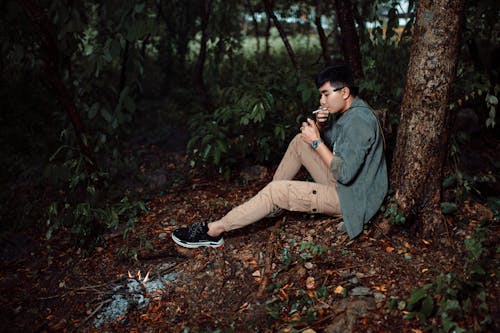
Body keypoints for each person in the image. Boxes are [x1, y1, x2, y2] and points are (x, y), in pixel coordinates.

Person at [172, 64, 388, 248]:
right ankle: (272, 201)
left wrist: (316, 140)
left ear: (344, 92)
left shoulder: (359, 121)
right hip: (349, 186)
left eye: (325, 94)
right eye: (320, 94)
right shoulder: (351, 112)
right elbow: (339, 146)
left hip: (353, 201)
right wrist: (320, 127)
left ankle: (212, 232)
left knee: (279, 186)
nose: (321, 101)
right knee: (299, 142)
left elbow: (345, 173)